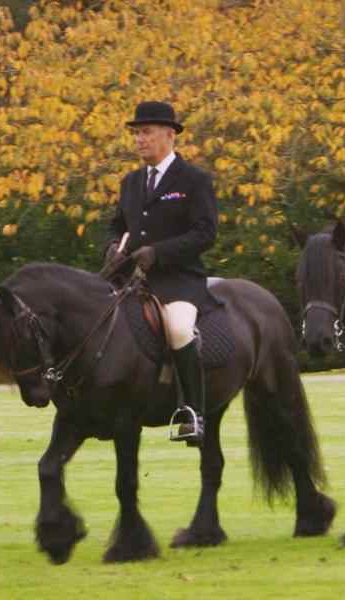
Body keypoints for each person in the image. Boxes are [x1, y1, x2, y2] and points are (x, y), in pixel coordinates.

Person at [104, 101, 218, 444]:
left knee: (180, 328)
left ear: (170, 135)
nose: (140, 140)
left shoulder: (194, 179)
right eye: (137, 134)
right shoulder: (131, 182)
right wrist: (111, 247)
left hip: (178, 280)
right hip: (131, 281)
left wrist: (159, 253)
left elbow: (205, 233)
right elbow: (115, 226)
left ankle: (193, 414)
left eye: (146, 133)